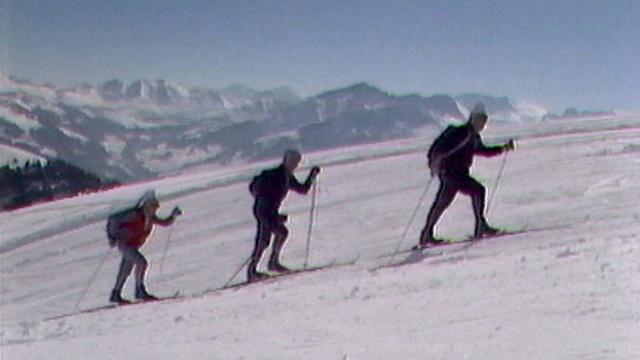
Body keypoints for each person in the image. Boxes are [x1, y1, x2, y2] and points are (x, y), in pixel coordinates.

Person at [419, 103, 515, 247]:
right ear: (473, 119)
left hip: (450, 173)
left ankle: (426, 234)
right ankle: (481, 226)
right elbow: (446, 149)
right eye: (481, 119)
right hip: (453, 173)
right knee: (478, 190)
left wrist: (503, 148)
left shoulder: (472, 136)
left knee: (442, 203)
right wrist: (437, 163)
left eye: (484, 120)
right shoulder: (464, 133)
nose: (483, 123)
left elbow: (484, 151)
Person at [247, 149, 321, 282]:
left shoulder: (287, 177)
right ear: (286, 160)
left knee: (280, 233)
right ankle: (255, 270)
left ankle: (269, 264)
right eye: (293, 161)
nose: (295, 164)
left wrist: (312, 176)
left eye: (297, 162)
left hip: (269, 211)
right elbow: (256, 188)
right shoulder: (273, 174)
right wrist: (265, 199)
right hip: (264, 210)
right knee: (265, 240)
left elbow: (302, 190)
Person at [107, 190, 182, 303]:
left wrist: (173, 216)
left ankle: (116, 293)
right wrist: (112, 237)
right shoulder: (135, 214)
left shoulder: (149, 217)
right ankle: (139, 290)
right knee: (141, 263)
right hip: (125, 243)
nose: (155, 209)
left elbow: (165, 223)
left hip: (131, 244)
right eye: (154, 206)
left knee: (126, 269)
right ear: (146, 205)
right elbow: (113, 220)